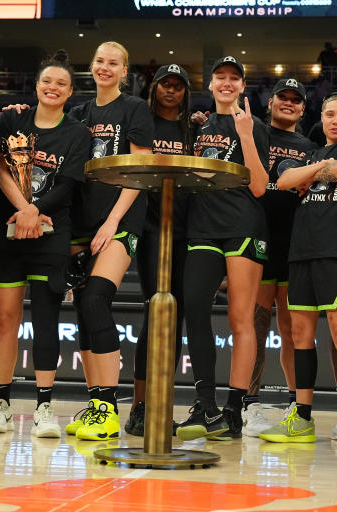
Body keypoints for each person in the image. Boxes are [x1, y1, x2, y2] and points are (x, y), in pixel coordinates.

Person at [0, 50, 90, 438]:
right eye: (47, 81)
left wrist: (36, 210)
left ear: (71, 91)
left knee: (46, 321)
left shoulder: (77, 133)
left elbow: (67, 187)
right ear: (37, 86)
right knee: (5, 320)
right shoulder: (11, 119)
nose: (53, 87)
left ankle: (45, 407)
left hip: (50, 235)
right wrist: (25, 208)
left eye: (61, 83)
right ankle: (2, 404)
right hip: (7, 232)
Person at [260, 93, 337, 450]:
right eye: (330, 114)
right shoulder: (310, 152)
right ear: (320, 117)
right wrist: (318, 169)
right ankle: (302, 417)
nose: (336, 120)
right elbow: (287, 180)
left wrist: (311, 173)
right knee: (299, 335)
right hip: (300, 254)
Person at [176, 56, 268, 441]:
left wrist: (245, 134)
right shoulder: (196, 125)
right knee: (194, 307)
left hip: (242, 226)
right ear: (210, 85)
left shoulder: (254, 125)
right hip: (202, 227)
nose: (227, 83)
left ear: (243, 86)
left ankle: (233, 409)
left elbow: (260, 186)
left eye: (234, 78)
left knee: (240, 318)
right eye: (220, 77)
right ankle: (204, 403)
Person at [65, 41, 153, 440]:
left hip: (119, 220)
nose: (104, 67)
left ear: (124, 69)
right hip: (80, 223)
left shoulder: (133, 108)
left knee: (97, 297)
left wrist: (112, 221)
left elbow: (139, 169)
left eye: (113, 62)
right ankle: (97, 403)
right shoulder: (78, 112)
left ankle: (109, 407)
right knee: (83, 306)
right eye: (99, 60)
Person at [243, 78, 315, 437]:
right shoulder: (254, 133)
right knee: (254, 328)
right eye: (282, 98)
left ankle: (293, 404)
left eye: (295, 99)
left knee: (291, 331)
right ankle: (250, 405)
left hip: (293, 246)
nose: (288, 103)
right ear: (270, 103)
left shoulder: (310, 147)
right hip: (256, 243)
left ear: (303, 108)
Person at [125, 63, 193, 436]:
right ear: (154, 89)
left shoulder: (192, 128)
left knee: (176, 318)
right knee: (154, 315)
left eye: (178, 86)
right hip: (150, 228)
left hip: (186, 231)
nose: (171, 91)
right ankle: (139, 407)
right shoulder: (141, 121)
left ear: (185, 92)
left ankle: (163, 404)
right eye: (165, 84)